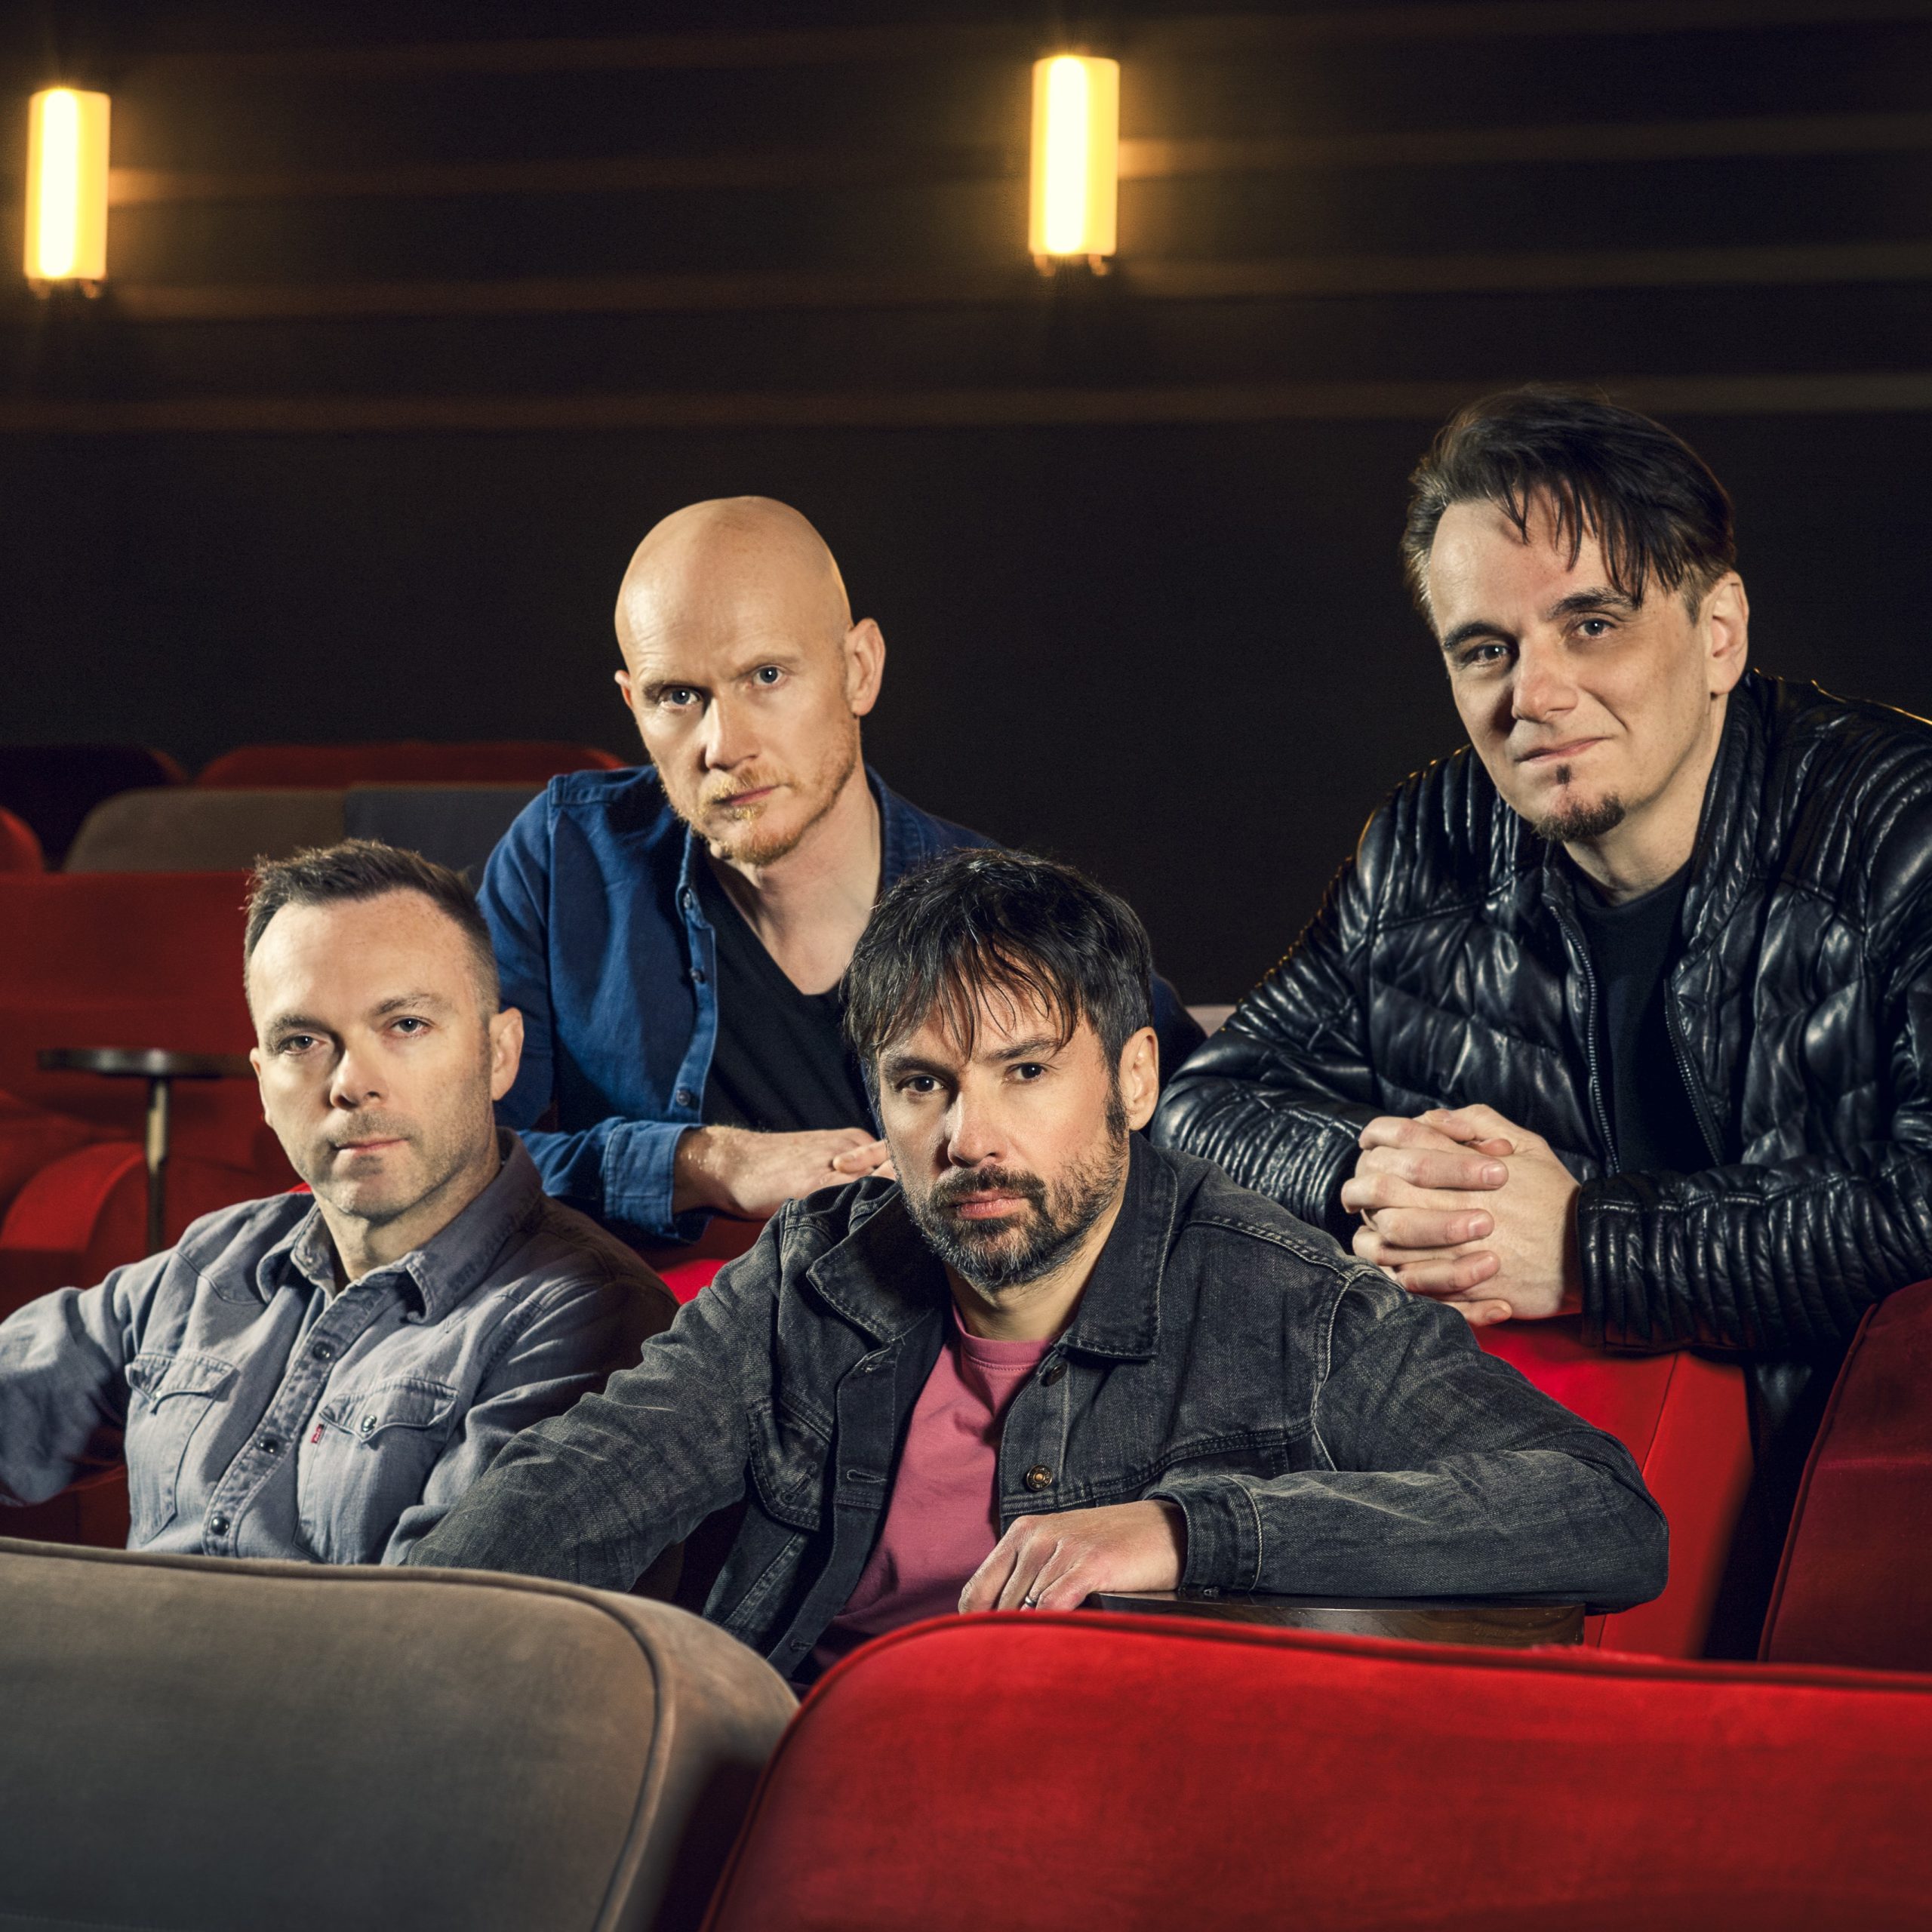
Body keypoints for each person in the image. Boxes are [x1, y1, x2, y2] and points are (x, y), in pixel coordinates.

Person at [407, 850, 1664, 1683]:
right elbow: (575, 1489)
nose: (972, 1137)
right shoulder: (814, 1277)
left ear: (1135, 1079)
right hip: (785, 1795)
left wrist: (1185, 1532)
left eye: (1024, 1072)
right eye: (923, 1085)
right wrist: (387, 1647)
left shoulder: (1291, 1303)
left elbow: (1602, 1515)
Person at [1152, 386, 1932, 1589]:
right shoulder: (1428, 844)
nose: (1536, 696)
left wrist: (1586, 1245)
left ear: (1719, 632)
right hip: (1556, 1523)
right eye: (1487, 651)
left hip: (1864, 1523)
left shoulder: (1898, 826)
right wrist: (1385, 1179)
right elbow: (1200, 1107)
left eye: (1592, 625)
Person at [481, 496, 1201, 1251]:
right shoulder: (567, 853)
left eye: (766, 675)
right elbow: (454, 1163)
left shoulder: (1007, 918)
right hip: (637, 1319)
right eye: (678, 696)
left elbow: (1197, 1117)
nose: (723, 746)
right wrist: (704, 1164)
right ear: (634, 703)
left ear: (860, 670)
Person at [0, 841, 669, 1564]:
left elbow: (452, 1623)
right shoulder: (207, 1266)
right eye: (302, 1040)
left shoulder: (587, 1318)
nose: (352, 1083)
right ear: (262, 1082)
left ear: (500, 1054)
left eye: (406, 1025)